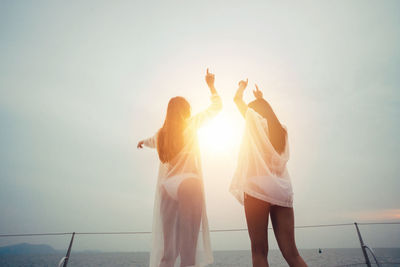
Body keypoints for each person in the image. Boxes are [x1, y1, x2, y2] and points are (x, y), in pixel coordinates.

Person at [137, 69, 222, 267]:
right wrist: (211, 85)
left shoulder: (162, 134)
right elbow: (217, 107)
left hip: (167, 187)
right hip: (188, 183)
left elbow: (151, 141)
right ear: (186, 111)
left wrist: (142, 142)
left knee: (168, 253)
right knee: (187, 252)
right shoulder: (190, 124)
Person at [230, 79, 307, 267]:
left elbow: (236, 100)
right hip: (282, 189)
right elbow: (267, 115)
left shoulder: (254, 121)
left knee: (259, 251)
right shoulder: (282, 131)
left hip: (257, 188)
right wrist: (262, 99)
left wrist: (242, 86)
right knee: (292, 253)